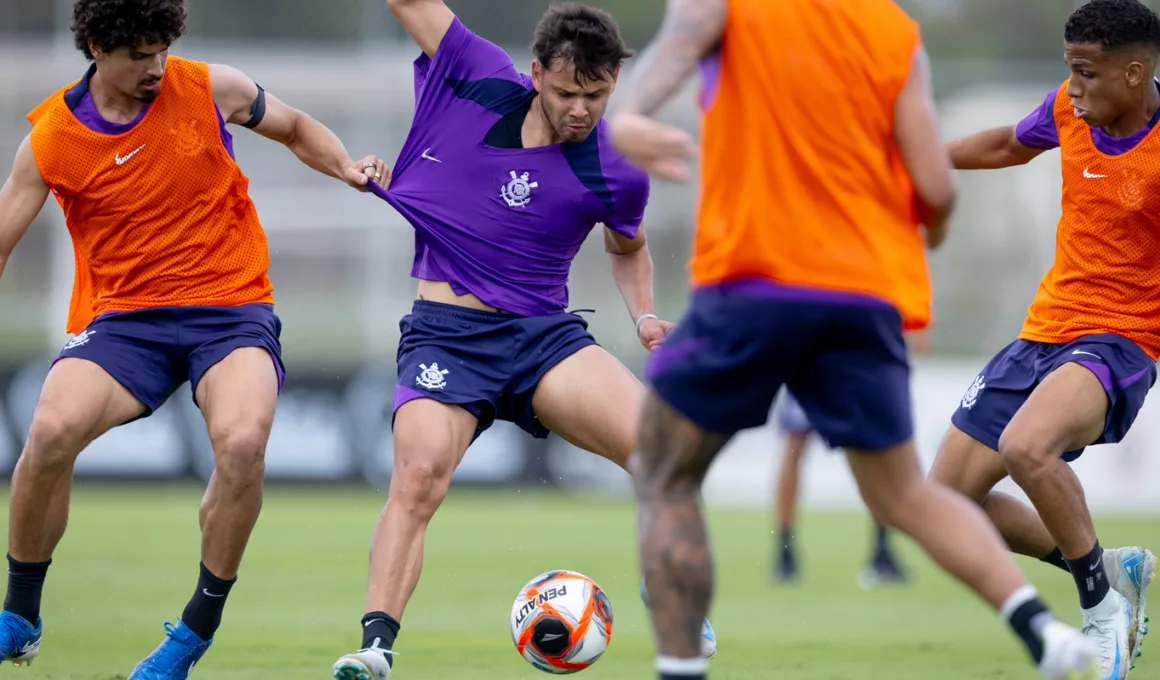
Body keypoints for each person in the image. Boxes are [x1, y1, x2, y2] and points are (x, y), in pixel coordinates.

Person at [608, 0, 1101, 679]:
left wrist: (628, 115)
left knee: (665, 472)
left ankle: (681, 669)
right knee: (905, 494)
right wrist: (929, 230)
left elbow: (667, 57)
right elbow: (935, 184)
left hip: (755, 280)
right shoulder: (894, 32)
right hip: (865, 295)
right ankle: (1041, 627)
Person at [0, 0, 383, 675]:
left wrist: (345, 166)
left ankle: (192, 635)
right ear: (95, 46)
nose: (155, 67)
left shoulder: (211, 88)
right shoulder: (53, 137)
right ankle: (20, 616)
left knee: (242, 443)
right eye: (138, 55)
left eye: (161, 50)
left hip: (231, 311)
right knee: (50, 431)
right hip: (124, 321)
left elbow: (295, 128)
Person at [332, 2, 715, 677]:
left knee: (665, 452)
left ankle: (667, 596)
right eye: (567, 91)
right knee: (418, 477)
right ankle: (374, 648)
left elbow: (628, 248)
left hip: (543, 340)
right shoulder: (472, 70)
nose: (580, 109)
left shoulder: (616, 165)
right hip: (446, 335)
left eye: (596, 95)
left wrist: (645, 316)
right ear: (536, 72)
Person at [929, 1, 1160, 677]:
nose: (1074, 86)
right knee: (942, 502)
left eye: (1087, 73)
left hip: (1119, 341)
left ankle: (1100, 612)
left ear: (1135, 72)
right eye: (1070, 71)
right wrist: (913, 162)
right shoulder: (1071, 106)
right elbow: (1008, 143)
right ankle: (1109, 567)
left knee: (1027, 448)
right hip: (1041, 332)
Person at [771, 389, 909, 588]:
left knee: (797, 445)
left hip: (812, 366)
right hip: (844, 366)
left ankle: (785, 554)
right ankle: (881, 550)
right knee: (867, 447)